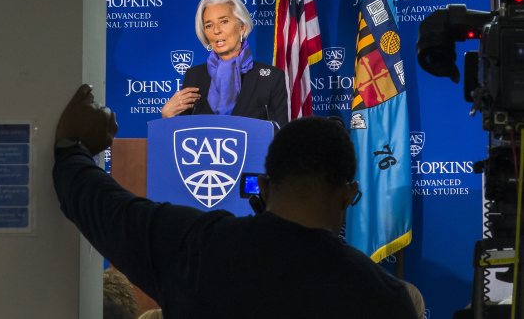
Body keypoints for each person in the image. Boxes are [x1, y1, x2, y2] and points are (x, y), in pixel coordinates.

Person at [53, 85, 418, 319]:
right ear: (349, 194)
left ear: (261, 185)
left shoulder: (195, 247)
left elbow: (104, 207)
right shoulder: (386, 299)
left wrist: (73, 150)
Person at [161, 0, 288, 125]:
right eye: (209, 25)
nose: (216, 30)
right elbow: (181, 134)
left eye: (224, 21)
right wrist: (168, 117)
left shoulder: (271, 77)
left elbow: (280, 135)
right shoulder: (195, 75)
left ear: (242, 27)